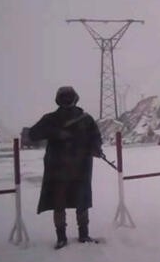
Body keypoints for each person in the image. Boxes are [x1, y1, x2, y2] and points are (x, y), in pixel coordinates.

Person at [29, 86, 104, 249]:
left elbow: (96, 137)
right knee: (59, 203)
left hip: (80, 167)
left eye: (69, 96)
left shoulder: (86, 119)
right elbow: (33, 134)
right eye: (64, 96)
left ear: (75, 98)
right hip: (58, 168)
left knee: (81, 201)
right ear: (58, 99)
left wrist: (95, 148)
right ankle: (61, 237)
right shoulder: (50, 119)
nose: (67, 99)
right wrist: (56, 133)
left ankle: (83, 234)